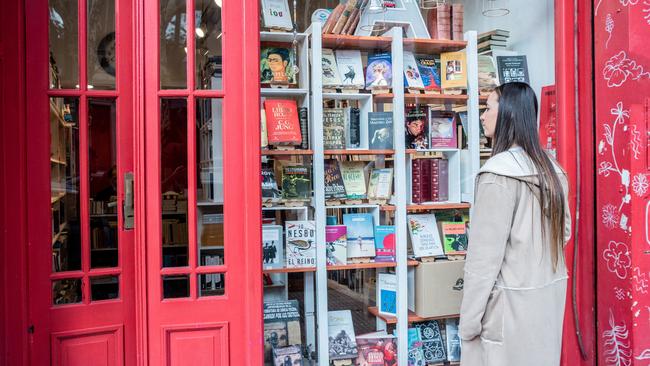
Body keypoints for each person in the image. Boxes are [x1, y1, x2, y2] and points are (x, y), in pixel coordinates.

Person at [459, 82, 572, 366]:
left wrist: (469, 323)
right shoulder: (553, 171)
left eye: (488, 108)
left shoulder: (497, 175)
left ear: (508, 113)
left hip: (506, 313)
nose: (482, 116)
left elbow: (483, 261)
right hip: (547, 303)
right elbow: (565, 233)